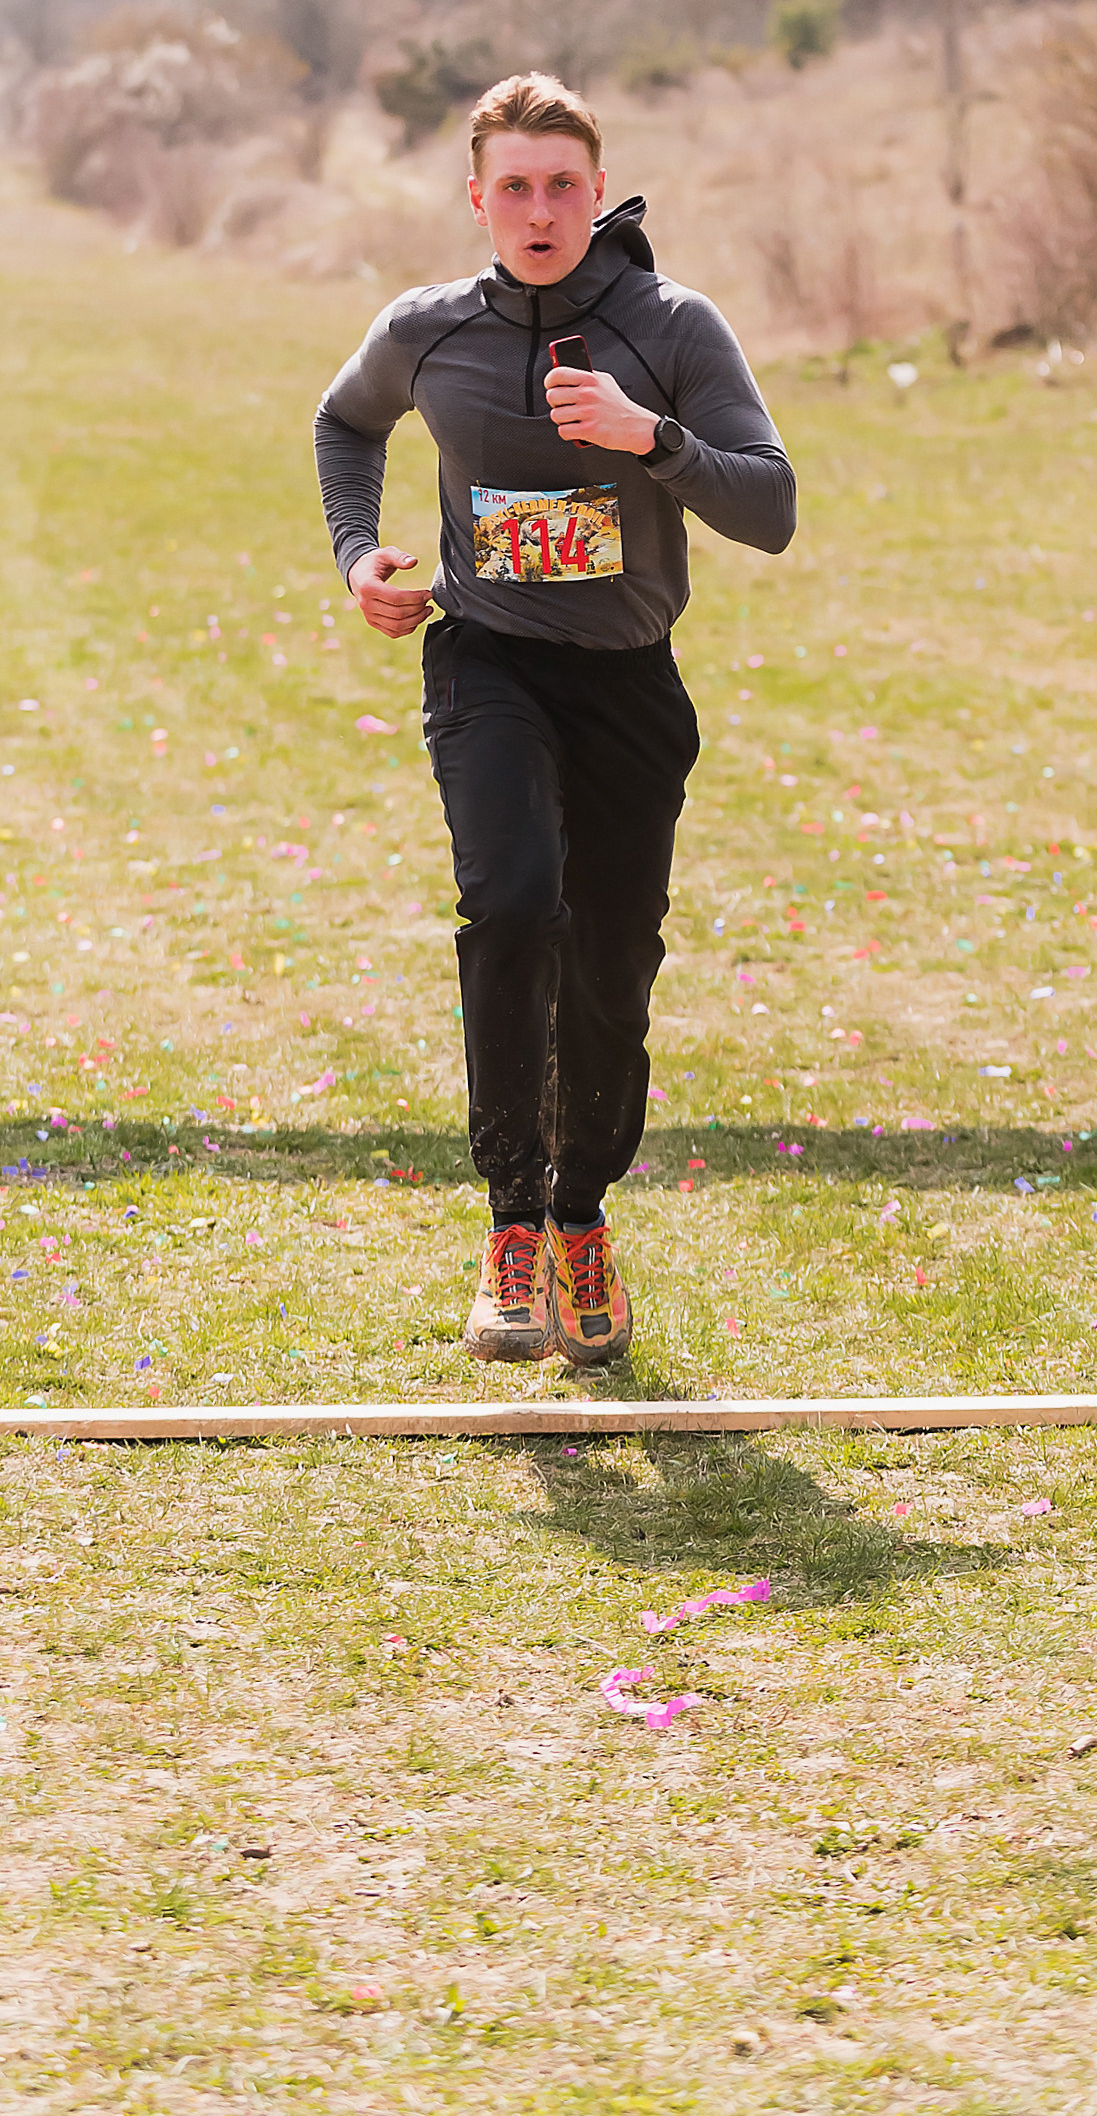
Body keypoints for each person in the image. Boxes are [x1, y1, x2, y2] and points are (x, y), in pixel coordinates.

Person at [314, 71, 795, 1368]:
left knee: (610, 961)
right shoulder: (426, 329)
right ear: (476, 198)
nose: (538, 209)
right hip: (485, 664)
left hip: (627, 683)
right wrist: (359, 553)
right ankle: (511, 1221)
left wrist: (653, 442)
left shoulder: (670, 328)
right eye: (512, 186)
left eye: (561, 184)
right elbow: (345, 420)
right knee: (513, 903)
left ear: (596, 192)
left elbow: (771, 507)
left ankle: (581, 1213)